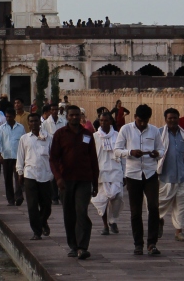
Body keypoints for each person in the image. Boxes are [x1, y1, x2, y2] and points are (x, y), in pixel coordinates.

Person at [49, 104, 98, 259]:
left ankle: (83, 246)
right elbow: (53, 159)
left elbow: (93, 160)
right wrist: (58, 178)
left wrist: (95, 183)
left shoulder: (88, 135)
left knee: (82, 211)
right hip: (66, 180)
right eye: (72, 115)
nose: (75, 117)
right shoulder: (60, 134)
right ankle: (73, 245)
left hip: (84, 179)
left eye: (77, 115)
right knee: (69, 214)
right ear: (67, 116)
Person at [115, 103, 161, 256]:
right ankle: (138, 244)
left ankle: (152, 242)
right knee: (136, 211)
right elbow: (117, 150)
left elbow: (161, 149)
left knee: (153, 207)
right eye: (140, 120)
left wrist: (156, 153)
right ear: (135, 117)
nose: (142, 124)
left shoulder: (154, 130)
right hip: (133, 174)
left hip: (150, 172)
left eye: (145, 121)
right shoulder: (126, 129)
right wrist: (130, 152)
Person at [156, 107, 184, 243]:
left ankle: (179, 231)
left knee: (182, 205)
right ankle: (159, 222)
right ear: (165, 119)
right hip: (165, 178)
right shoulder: (159, 134)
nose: (172, 120)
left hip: (182, 177)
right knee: (158, 205)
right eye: (170, 118)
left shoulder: (183, 135)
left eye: (175, 118)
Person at [18, 111, 53, 240]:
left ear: (40, 122)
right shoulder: (25, 138)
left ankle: (43, 221)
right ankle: (36, 231)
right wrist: (20, 172)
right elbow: (20, 156)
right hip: (30, 174)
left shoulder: (48, 137)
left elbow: (53, 157)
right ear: (28, 123)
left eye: (36, 121)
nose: (34, 123)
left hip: (45, 175)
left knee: (46, 205)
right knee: (32, 205)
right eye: (31, 121)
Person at [92, 108, 123, 236]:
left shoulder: (118, 136)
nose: (103, 123)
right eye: (101, 121)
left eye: (106, 120)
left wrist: (125, 173)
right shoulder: (94, 137)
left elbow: (123, 154)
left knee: (118, 197)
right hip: (101, 172)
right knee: (103, 200)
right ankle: (105, 225)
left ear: (111, 121)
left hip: (116, 171)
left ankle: (113, 220)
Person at [0, 107, 26, 206]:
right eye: (7, 116)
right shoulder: (2, 128)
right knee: (7, 178)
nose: (8, 118)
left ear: (14, 116)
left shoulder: (21, 128)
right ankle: (10, 199)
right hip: (6, 156)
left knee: (19, 177)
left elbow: (24, 142)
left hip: (18, 156)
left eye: (10, 116)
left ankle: (19, 196)